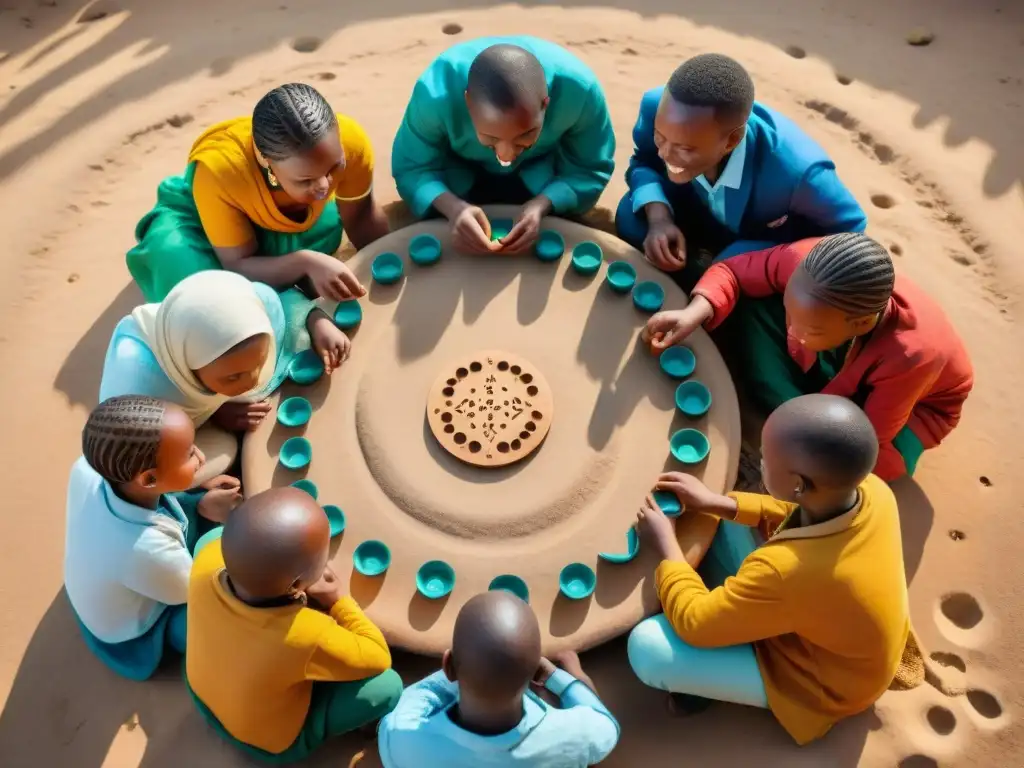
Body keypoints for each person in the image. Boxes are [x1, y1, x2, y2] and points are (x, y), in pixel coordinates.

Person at [628, 394, 921, 745]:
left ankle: (702, 690)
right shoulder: (872, 490)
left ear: (798, 483)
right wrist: (715, 502)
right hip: (829, 624)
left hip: (826, 682)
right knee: (729, 517)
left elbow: (695, 624)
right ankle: (734, 620)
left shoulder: (788, 571)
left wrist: (666, 543)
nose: (761, 462)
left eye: (767, 459)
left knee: (648, 649)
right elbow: (794, 510)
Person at [643, 233, 973, 480]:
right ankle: (796, 404)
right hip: (839, 346)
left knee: (845, 463)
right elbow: (734, 273)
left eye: (808, 330)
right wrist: (692, 313)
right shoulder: (804, 261)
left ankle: (794, 415)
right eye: (789, 313)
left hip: (914, 407)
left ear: (859, 323)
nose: (792, 333)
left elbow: (867, 436)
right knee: (750, 308)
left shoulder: (912, 353)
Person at [186, 487, 402, 762]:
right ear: (297, 585)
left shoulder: (206, 556)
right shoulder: (307, 634)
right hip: (269, 744)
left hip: (201, 696)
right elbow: (378, 655)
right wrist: (339, 600)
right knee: (388, 685)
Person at [616, 53, 865, 286]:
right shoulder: (655, 107)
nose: (665, 154)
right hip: (693, 206)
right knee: (630, 217)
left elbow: (851, 233)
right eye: (660, 137)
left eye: (685, 149)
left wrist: (755, 261)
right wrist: (659, 218)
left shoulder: (800, 174)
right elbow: (645, 161)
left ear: (732, 142)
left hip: (754, 240)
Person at [127, 82, 387, 303]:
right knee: (197, 286)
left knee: (326, 230)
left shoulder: (351, 142)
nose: (323, 186)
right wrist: (304, 262)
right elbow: (238, 264)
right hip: (210, 223)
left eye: (334, 167)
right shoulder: (222, 172)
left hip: (288, 219)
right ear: (266, 162)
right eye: (306, 179)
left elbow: (362, 218)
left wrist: (391, 260)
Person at [99, 271, 351, 485]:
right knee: (221, 452)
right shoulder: (140, 395)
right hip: (166, 437)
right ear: (189, 368)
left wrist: (315, 320)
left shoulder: (245, 306)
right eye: (234, 377)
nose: (252, 381)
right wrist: (213, 417)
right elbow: (129, 468)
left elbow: (280, 307)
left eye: (259, 363)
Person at [64, 395, 242, 680]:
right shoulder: (146, 551)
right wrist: (216, 521)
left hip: (105, 586)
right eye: (189, 455)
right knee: (222, 616)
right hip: (132, 634)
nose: (201, 457)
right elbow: (192, 587)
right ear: (148, 480)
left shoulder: (88, 467)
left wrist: (196, 498)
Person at [392, 37, 615, 255]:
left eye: (524, 136)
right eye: (491, 138)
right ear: (468, 102)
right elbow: (412, 166)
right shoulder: (434, 95)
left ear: (546, 103)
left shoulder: (580, 93)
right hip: (460, 169)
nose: (505, 157)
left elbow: (590, 167)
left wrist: (544, 204)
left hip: (541, 169)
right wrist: (453, 208)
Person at [377, 591, 619, 767]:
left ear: (448, 666)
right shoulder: (572, 734)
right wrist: (558, 678)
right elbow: (606, 725)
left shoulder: (403, 737)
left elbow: (416, 698)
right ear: (534, 672)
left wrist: (465, 669)